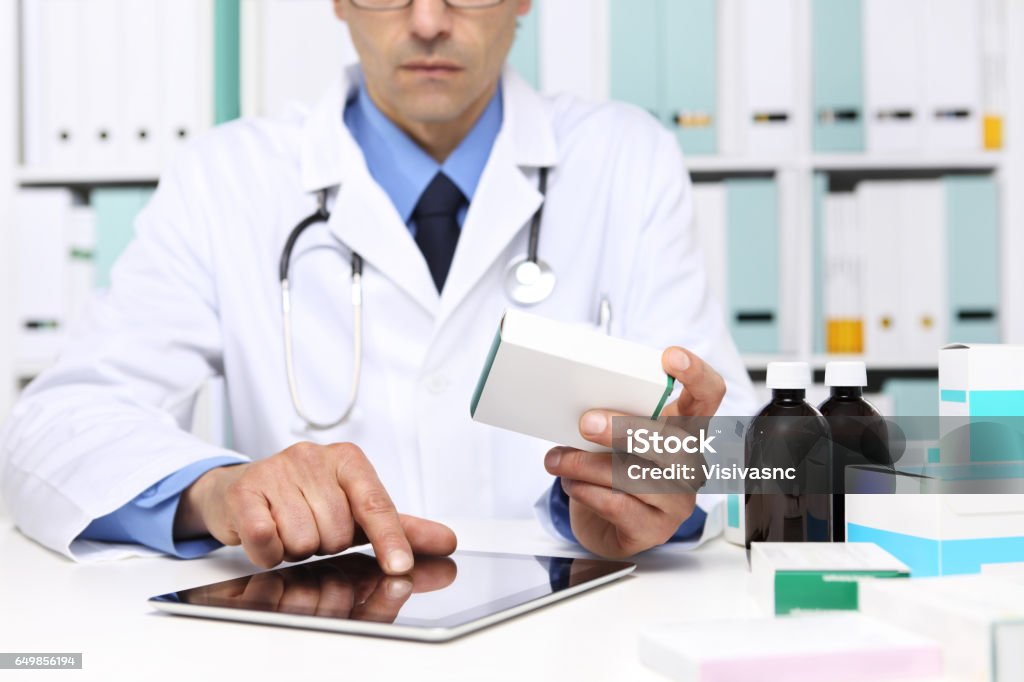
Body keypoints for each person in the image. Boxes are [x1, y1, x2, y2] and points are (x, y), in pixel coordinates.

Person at [0, 0, 757, 572]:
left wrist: (651, 500)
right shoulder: (226, 177)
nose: (428, 21)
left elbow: (748, 450)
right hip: (319, 647)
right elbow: (56, 426)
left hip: (569, 639)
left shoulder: (626, 160)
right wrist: (217, 492)